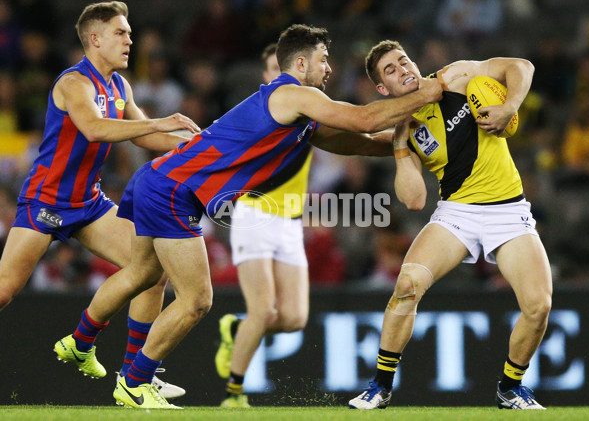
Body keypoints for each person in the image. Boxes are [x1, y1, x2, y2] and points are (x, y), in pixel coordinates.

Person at [53, 24, 442, 409]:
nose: (329, 69)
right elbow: (365, 119)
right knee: (197, 300)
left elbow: (358, 142)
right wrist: (428, 92)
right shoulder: (292, 93)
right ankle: (135, 381)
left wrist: (408, 142)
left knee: (142, 275)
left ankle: (80, 342)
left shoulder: (299, 115)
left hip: (160, 180)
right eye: (324, 60)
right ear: (302, 62)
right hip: (173, 191)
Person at [0, 1, 200, 399]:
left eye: (128, 33)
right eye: (120, 33)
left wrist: (200, 144)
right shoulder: (73, 83)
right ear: (95, 39)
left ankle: (133, 375)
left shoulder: (119, 86)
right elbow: (92, 128)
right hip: (46, 202)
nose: (130, 40)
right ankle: (87, 346)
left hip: (89, 205)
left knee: (152, 269)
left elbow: (143, 137)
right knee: (5, 290)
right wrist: (160, 121)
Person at [348, 40, 551, 410]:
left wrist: (509, 107)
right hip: (456, 213)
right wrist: (398, 141)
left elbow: (521, 65)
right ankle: (380, 386)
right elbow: (413, 200)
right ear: (383, 89)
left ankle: (511, 387)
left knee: (538, 306)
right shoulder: (404, 128)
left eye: (403, 61)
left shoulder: (455, 77)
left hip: (508, 209)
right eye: (390, 71)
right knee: (407, 285)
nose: (402, 70)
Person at [213, 42, 310, 408]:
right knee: (264, 310)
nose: (280, 75)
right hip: (255, 216)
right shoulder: (260, 111)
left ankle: (236, 330)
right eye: (272, 68)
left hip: (290, 222)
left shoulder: (307, 110)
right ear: (266, 76)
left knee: (295, 318)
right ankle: (233, 394)